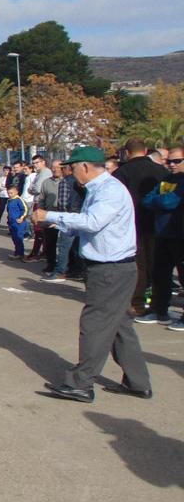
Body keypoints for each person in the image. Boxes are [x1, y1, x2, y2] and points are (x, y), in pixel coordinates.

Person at [33, 146, 152, 403]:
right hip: (113, 267)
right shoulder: (97, 189)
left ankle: (81, 383)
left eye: (72, 168)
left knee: (95, 325)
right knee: (120, 326)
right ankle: (137, 381)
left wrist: (49, 214)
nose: (70, 174)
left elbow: (93, 222)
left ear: (85, 167)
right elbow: (89, 223)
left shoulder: (109, 190)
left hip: (110, 269)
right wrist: (59, 223)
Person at [113, 138, 168, 316]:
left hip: (131, 224)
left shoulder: (122, 172)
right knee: (158, 265)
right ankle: (158, 304)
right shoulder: (161, 171)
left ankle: (137, 303)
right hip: (158, 223)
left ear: (127, 153)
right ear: (145, 151)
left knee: (138, 265)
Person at [135, 146, 184, 330]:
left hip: (179, 235)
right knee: (160, 275)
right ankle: (159, 309)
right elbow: (148, 199)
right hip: (162, 234)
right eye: (169, 161)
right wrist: (161, 201)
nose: (171, 164)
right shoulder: (166, 179)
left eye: (177, 161)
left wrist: (161, 201)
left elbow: (171, 201)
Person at [43, 161, 86, 283]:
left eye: (62, 168)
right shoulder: (83, 182)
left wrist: (60, 220)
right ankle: (77, 270)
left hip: (69, 217)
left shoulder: (65, 181)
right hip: (81, 216)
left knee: (63, 246)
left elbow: (62, 203)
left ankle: (60, 271)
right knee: (76, 247)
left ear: (67, 169)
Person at [5, 185, 30, 259]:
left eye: (11, 193)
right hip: (12, 223)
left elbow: (25, 209)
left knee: (19, 238)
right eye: (8, 193)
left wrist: (21, 218)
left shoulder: (19, 200)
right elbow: (9, 211)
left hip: (19, 223)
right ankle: (17, 252)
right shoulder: (9, 200)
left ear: (16, 192)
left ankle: (20, 254)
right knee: (14, 238)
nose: (9, 195)